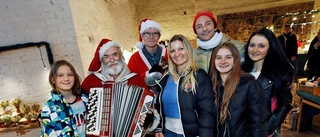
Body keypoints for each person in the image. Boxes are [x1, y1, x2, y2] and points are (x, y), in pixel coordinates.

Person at [81, 38, 157, 136]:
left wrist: (149, 117)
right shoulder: (91, 81)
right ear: (102, 60)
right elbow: (77, 105)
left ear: (120, 55)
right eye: (106, 56)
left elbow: (149, 108)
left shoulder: (136, 79)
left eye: (114, 54)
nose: (112, 60)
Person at [150, 34, 215, 137]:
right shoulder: (165, 78)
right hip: (167, 133)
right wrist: (158, 128)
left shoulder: (199, 76)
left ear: (188, 50)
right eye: (173, 51)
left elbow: (207, 113)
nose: (177, 54)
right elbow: (159, 107)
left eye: (181, 49)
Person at [241, 28, 295, 136]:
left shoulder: (280, 73)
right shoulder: (241, 71)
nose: (255, 50)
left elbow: (284, 105)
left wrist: (265, 131)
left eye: (261, 46)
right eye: (252, 45)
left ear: (270, 48)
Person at [208, 42, 267, 137]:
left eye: (228, 57)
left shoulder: (249, 84)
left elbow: (258, 122)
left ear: (235, 59)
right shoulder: (209, 85)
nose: (223, 61)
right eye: (218, 57)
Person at [40, 60, 88, 137]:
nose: (66, 78)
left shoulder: (85, 99)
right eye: (60, 75)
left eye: (70, 74)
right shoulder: (48, 108)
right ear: (53, 79)